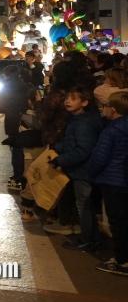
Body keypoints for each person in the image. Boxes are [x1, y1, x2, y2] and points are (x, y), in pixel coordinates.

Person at [51, 86, 105, 252]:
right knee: (84, 205)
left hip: (83, 171)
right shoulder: (78, 119)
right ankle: (91, 238)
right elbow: (72, 142)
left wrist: (60, 159)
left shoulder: (84, 123)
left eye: (73, 99)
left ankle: (88, 240)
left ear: (85, 103)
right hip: (81, 169)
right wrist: (58, 147)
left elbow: (83, 150)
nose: (67, 101)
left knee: (84, 206)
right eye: (67, 98)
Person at [89, 91, 128, 275]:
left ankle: (122, 261)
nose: (102, 109)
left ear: (112, 110)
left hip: (113, 180)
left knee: (117, 222)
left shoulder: (111, 130)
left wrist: (92, 173)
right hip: (123, 179)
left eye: (104, 106)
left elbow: (100, 157)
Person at [0, 64, 36, 191]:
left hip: (13, 119)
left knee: (16, 149)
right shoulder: (25, 85)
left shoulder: (8, 86)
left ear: (8, 74)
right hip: (24, 118)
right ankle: (23, 175)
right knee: (23, 149)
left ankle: (18, 176)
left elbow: (1, 103)